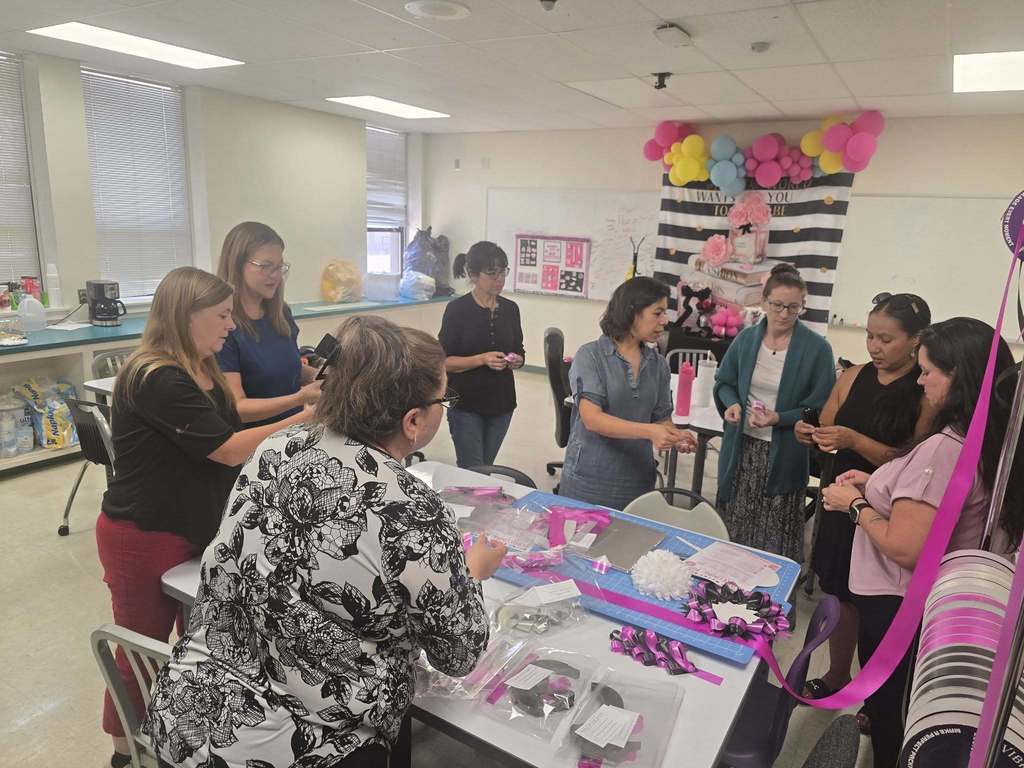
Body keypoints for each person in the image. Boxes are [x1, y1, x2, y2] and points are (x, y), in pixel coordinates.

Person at [144, 316, 507, 768]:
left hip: (187, 721)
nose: (444, 408)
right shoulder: (411, 508)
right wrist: (472, 572)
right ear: (413, 421)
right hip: (298, 748)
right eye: (444, 399)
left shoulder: (278, 447)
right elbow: (458, 652)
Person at [98, 267, 312, 768]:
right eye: (220, 316)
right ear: (184, 316)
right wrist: (307, 414)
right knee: (141, 648)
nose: (230, 326)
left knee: (200, 641)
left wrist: (300, 400)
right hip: (144, 532)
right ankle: (126, 749)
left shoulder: (201, 363)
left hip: (195, 525)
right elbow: (229, 449)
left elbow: (232, 420)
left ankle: (187, 736)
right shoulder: (156, 378)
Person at [822, 317, 1024, 768]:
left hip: (899, 604)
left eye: (930, 369)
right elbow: (947, 506)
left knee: (891, 717)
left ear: (960, 378)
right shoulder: (991, 441)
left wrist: (855, 503)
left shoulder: (943, 448)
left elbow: (907, 547)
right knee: (905, 709)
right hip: (940, 606)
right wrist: (881, 483)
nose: (921, 378)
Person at [797, 293, 933, 717]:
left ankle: (879, 697)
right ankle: (838, 675)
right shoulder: (853, 376)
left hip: (889, 512)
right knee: (840, 592)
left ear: (916, 341)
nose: (874, 347)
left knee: (877, 604)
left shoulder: (925, 390)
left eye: (886, 339)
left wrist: (854, 440)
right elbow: (827, 424)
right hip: (841, 502)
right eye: (870, 335)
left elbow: (917, 462)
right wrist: (811, 433)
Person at [714, 263, 835, 561]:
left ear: (802, 307)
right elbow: (724, 382)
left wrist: (780, 418)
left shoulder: (816, 348)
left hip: (784, 455)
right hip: (742, 449)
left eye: (793, 308)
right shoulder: (746, 340)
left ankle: (769, 605)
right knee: (735, 533)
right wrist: (731, 404)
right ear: (764, 302)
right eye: (778, 305)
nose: (784, 314)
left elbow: (821, 407)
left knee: (772, 544)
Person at [559, 276, 697, 510]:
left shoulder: (658, 365)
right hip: (589, 480)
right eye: (657, 313)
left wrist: (675, 437)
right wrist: (650, 432)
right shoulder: (591, 356)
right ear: (632, 312)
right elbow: (592, 419)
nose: (665, 321)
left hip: (637, 481)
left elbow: (661, 419)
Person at [216, 221, 321, 427]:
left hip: (295, 429)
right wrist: (299, 399)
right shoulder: (224, 326)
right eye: (265, 266)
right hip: (255, 441)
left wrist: (324, 378)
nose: (275, 276)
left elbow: (286, 368)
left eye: (279, 267)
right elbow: (238, 409)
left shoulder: (281, 313)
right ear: (237, 264)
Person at [438, 241, 525, 468]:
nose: (499, 279)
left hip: (502, 403)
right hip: (466, 403)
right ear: (473, 274)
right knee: (472, 471)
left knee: (485, 469)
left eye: (503, 272)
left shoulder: (511, 309)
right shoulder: (457, 310)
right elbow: (444, 362)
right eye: (492, 273)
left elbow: (519, 349)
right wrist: (481, 359)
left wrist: (517, 360)